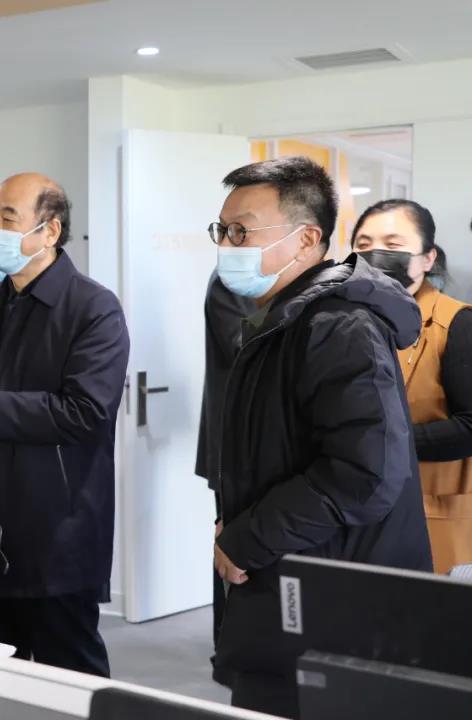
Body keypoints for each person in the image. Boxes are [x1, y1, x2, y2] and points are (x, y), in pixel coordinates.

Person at [210, 157, 432, 717]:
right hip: (294, 568)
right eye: (222, 230)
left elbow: (365, 475)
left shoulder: (338, 326)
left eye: (241, 232)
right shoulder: (284, 320)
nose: (227, 246)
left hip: (334, 593)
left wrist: (247, 535)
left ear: (307, 238)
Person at [0, 173, 129, 677]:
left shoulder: (93, 308)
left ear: (50, 231)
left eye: (8, 218)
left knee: (70, 678)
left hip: (58, 529)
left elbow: (86, 412)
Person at [353, 199, 472, 574]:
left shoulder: (456, 324)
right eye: (363, 245)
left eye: (393, 245)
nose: (375, 255)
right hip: (360, 513)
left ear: (427, 258)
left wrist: (379, 443)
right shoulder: (346, 322)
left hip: (435, 515)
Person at [194, 270, 253, 685]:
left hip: (265, 449)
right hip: (236, 451)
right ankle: (229, 653)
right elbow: (244, 346)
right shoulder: (233, 281)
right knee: (232, 548)